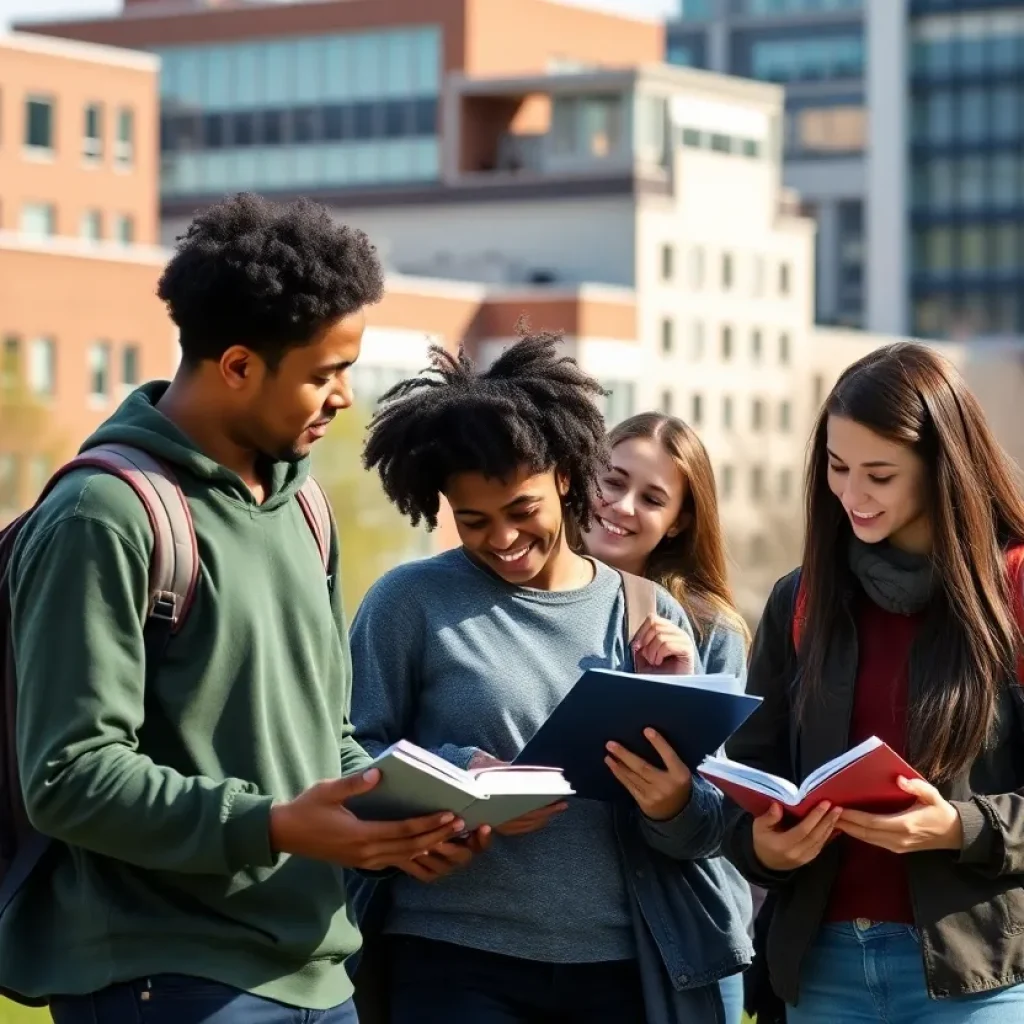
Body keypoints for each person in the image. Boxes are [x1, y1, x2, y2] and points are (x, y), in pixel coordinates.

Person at [0, 193, 467, 1024]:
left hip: (319, 973)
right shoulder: (104, 515)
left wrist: (417, 807)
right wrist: (275, 827)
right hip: (166, 979)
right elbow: (67, 777)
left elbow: (323, 738)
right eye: (324, 374)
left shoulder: (304, 509)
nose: (344, 399)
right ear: (240, 365)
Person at [348, 335, 752, 1024]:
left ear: (566, 476)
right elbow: (345, 756)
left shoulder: (657, 620)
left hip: (621, 975)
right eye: (473, 521)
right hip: (450, 962)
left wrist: (672, 798)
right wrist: (455, 778)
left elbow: (709, 833)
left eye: (521, 512)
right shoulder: (406, 601)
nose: (502, 538)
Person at [723, 342, 1024, 1023]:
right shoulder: (800, 599)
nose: (852, 495)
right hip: (823, 971)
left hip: (978, 979)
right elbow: (748, 775)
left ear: (942, 467)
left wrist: (958, 827)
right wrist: (760, 844)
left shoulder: (1015, 591)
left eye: (879, 475)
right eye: (837, 468)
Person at [579, 411, 752, 1023]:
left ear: (679, 520)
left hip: (686, 933)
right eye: (612, 480)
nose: (622, 506)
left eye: (652, 498)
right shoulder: (535, 590)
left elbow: (724, 811)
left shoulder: (709, 628)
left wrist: (679, 696)